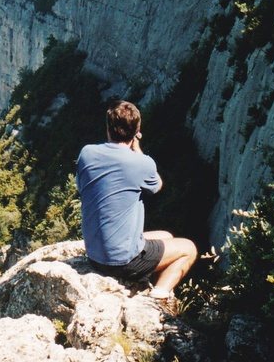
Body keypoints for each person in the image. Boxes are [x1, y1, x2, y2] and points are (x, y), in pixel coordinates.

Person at [76, 100, 197, 313]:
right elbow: (157, 186)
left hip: (94, 254)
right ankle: (156, 300)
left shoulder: (86, 153)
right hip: (121, 260)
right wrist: (137, 150)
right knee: (188, 248)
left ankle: (148, 284)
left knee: (166, 236)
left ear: (108, 128)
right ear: (137, 131)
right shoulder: (142, 163)